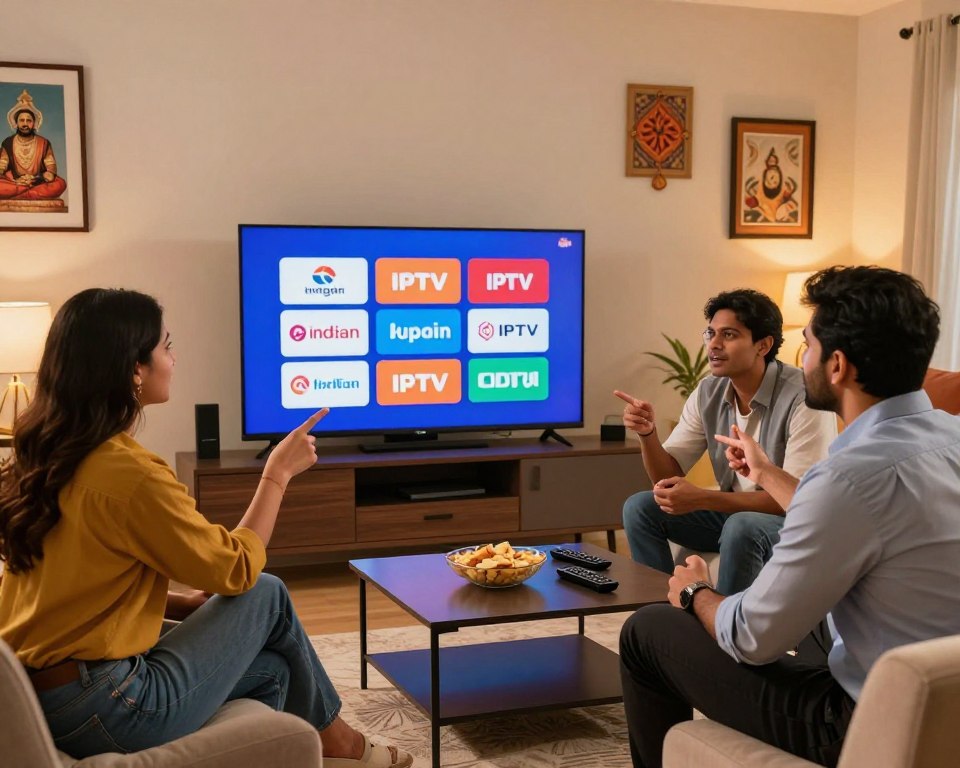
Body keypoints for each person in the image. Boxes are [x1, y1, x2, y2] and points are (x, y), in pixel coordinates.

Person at [0, 288, 411, 767]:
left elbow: (69, 589)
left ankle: (315, 751)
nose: (173, 360)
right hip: (108, 707)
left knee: (275, 670)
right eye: (165, 347)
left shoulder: (46, 456)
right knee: (268, 593)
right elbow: (234, 570)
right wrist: (277, 474)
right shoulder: (131, 475)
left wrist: (181, 603)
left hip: (47, 698)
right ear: (135, 369)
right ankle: (346, 747)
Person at [618, 266, 960, 768]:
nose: (805, 358)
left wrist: (695, 593)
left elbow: (753, 640)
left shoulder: (846, 475)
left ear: (837, 365)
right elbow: (854, 513)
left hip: (857, 720)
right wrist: (765, 471)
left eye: (811, 346)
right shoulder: (949, 439)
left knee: (647, 631)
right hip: (943, 698)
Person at [616, 288, 836, 597]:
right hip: (735, 515)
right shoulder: (709, 391)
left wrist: (704, 499)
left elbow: (797, 501)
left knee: (742, 526)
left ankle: (727, 631)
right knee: (641, 507)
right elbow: (666, 478)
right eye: (710, 333)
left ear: (763, 345)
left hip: (791, 524)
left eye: (729, 335)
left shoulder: (804, 397)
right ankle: (659, 613)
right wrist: (648, 433)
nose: (714, 345)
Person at [0, 89, 67, 201]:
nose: (25, 124)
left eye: (28, 121)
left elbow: (51, 169)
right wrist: (15, 180)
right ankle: (27, 193)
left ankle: (19, 194)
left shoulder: (43, 143)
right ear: (16, 123)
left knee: (60, 184)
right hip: (14, 182)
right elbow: (2, 166)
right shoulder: (8, 143)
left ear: (34, 123)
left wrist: (37, 179)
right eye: (21, 120)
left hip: (37, 182)